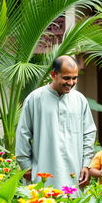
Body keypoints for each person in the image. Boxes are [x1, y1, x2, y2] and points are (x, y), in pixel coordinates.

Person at [15, 55, 96, 189]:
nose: (70, 83)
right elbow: (23, 134)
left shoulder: (80, 100)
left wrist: (86, 164)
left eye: (74, 78)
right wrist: (26, 167)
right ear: (53, 74)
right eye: (66, 78)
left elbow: (89, 133)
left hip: (74, 174)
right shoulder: (35, 99)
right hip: (42, 172)